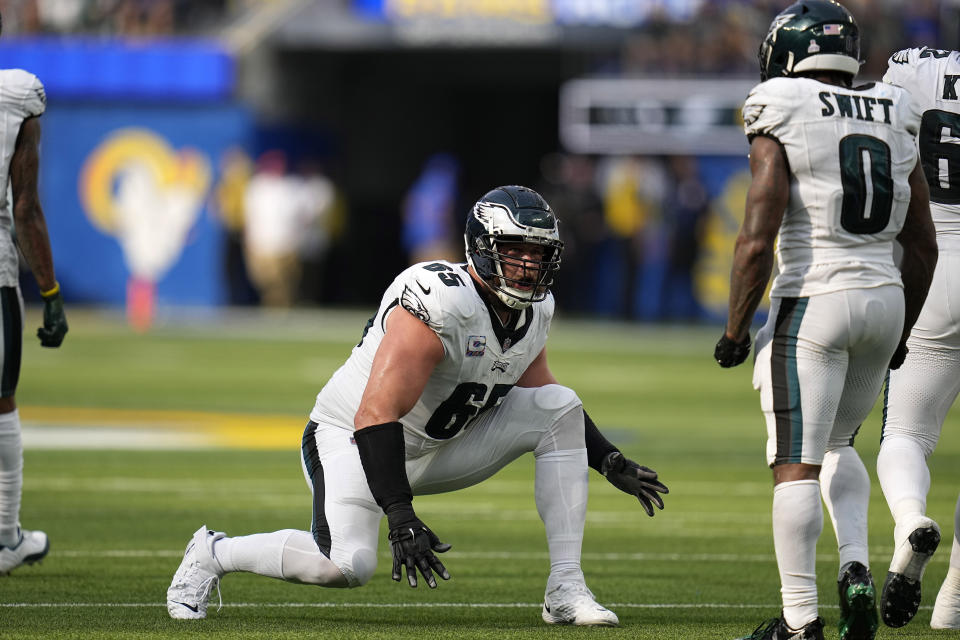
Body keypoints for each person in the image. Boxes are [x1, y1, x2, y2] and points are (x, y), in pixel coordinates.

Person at [166, 185, 668, 625]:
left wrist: (606, 459)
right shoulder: (439, 300)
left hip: (440, 443)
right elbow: (374, 415)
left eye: (538, 254)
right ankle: (213, 552)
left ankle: (565, 588)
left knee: (559, 405)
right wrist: (400, 513)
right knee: (345, 566)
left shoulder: (537, 309)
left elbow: (539, 391)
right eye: (514, 251)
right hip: (354, 439)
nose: (528, 264)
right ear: (481, 248)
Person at [713, 2, 938, 639]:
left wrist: (735, 331)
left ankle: (800, 621)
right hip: (886, 300)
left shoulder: (779, 101)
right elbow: (922, 243)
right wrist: (902, 333)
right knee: (840, 444)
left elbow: (757, 235)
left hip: (815, 298)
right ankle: (856, 567)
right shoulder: (896, 110)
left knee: (796, 463)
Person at [874, 45, 960, 631]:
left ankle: (910, 522)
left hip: (936, 262)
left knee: (905, 432)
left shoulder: (914, 64)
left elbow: (874, 137)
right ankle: (953, 606)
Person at [0, 11, 69, 575]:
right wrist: (49, 289)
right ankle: (4, 537)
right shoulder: (16, 95)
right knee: (0, 403)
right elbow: (24, 205)